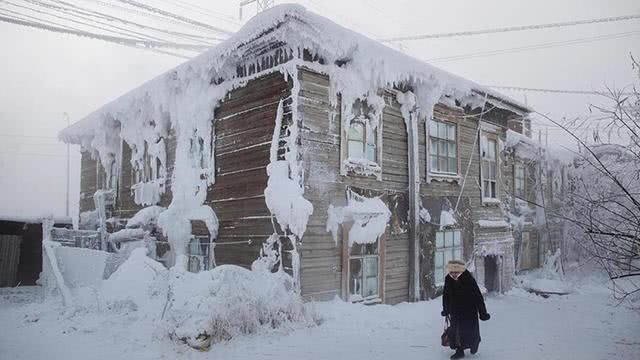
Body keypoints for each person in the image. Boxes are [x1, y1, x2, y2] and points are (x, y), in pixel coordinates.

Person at [441, 260, 490, 359]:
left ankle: (475, 343)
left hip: (469, 311)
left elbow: (478, 296)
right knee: (457, 332)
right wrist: (446, 309)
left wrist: (482, 313)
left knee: (470, 331)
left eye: (456, 272)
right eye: (452, 273)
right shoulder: (448, 279)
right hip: (455, 311)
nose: (454, 275)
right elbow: (446, 295)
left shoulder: (468, 279)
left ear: (461, 271)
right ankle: (459, 351)